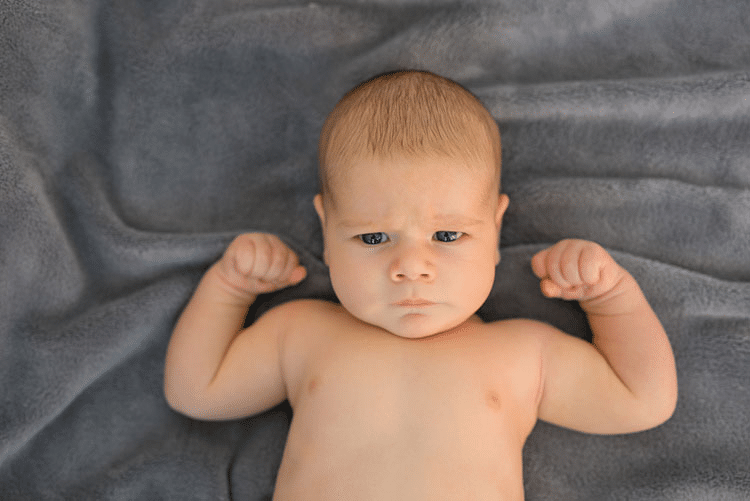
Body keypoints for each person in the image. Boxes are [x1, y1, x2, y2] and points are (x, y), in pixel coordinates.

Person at [164, 70, 677, 500]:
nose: (411, 266)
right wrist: (229, 289)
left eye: (447, 235)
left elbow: (641, 400)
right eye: (373, 237)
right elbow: (196, 392)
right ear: (325, 231)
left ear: (495, 230)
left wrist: (611, 299)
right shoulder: (301, 332)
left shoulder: (523, 352)